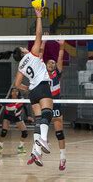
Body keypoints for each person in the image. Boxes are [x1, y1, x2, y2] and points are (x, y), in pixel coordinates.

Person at [0, 8, 53, 167]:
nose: (26, 47)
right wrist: (39, 17)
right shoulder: (32, 54)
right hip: (42, 87)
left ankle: (36, 152)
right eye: (24, 48)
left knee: (38, 120)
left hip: (33, 92)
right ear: (23, 51)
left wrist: (27, 89)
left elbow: (16, 85)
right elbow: (38, 34)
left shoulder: (21, 65)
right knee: (47, 115)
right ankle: (42, 139)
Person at [27, 38, 66, 170]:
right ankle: (36, 153)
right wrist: (42, 42)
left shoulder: (57, 74)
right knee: (39, 124)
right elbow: (40, 55)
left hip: (55, 103)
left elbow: (60, 59)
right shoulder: (41, 72)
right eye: (49, 62)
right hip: (44, 101)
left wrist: (61, 46)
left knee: (59, 131)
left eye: (53, 63)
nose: (51, 63)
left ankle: (62, 158)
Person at [0, 87, 30, 155]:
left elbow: (25, 107)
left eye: (16, 91)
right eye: (13, 91)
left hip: (17, 116)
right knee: (4, 132)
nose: (15, 92)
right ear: (11, 93)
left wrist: (28, 116)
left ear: (18, 93)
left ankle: (20, 147)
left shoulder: (21, 100)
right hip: (7, 116)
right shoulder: (7, 100)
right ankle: (0, 147)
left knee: (25, 133)